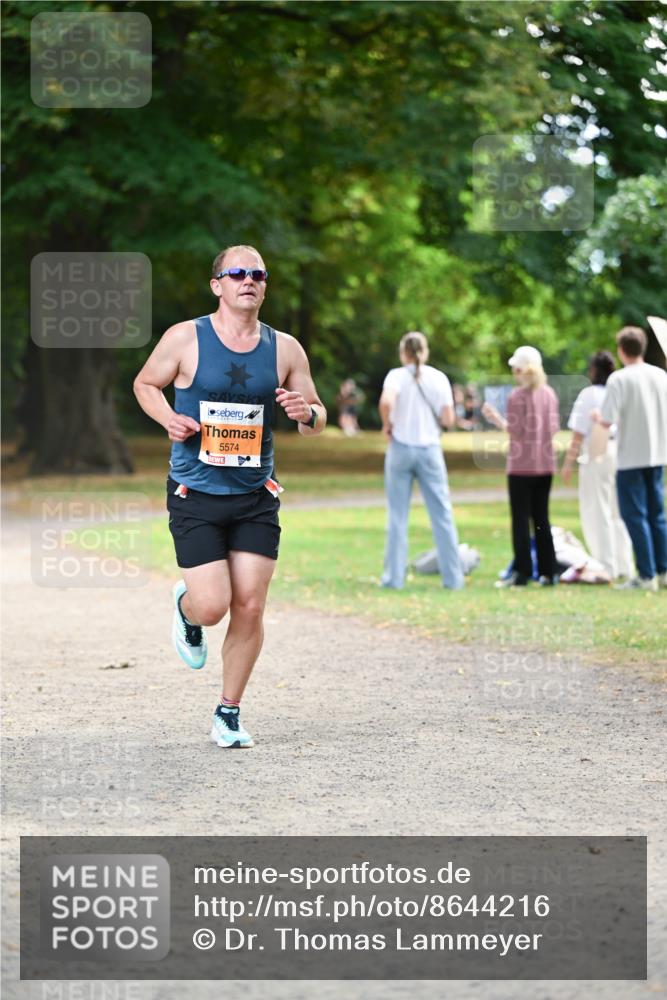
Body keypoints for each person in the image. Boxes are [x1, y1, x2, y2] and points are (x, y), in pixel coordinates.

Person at [133, 245, 326, 747]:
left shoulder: (285, 349)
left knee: (252, 606)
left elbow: (317, 419)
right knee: (214, 606)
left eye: (257, 273)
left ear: (264, 285)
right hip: (194, 491)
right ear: (217, 284)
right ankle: (188, 609)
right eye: (237, 272)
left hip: (255, 495)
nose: (249, 280)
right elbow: (145, 384)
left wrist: (306, 414)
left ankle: (228, 712)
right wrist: (167, 418)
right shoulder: (185, 337)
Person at [378, 331, 464, 590]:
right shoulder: (439, 378)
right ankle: (453, 579)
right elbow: (448, 419)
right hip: (430, 450)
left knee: (397, 516)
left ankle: (394, 579)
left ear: (403, 352)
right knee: (442, 515)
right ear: (424, 352)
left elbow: (385, 402)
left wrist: (387, 424)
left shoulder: (395, 376)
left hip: (401, 448)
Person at [594, 326, 667, 591]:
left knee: (635, 515)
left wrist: (596, 419)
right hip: (658, 453)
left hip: (631, 456)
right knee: (657, 515)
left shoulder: (619, 380)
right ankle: (663, 570)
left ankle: (646, 574)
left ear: (622, 350)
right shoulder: (661, 376)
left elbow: (608, 418)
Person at [482, 345, 559, 588]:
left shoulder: (517, 396)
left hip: (521, 468)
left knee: (520, 521)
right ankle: (549, 571)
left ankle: (522, 572)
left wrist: (495, 418)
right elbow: (553, 428)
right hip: (545, 466)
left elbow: (515, 432)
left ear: (520, 369)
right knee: (541, 520)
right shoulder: (550, 394)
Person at [562, 351, 633, 580]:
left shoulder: (589, 394)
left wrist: (568, 463)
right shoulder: (620, 392)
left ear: (593, 370)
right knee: (617, 511)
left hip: (597, 453)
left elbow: (578, 434)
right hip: (619, 454)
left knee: (597, 510)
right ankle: (624, 564)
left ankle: (606, 564)